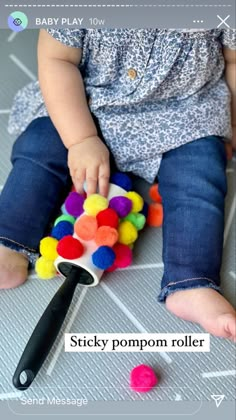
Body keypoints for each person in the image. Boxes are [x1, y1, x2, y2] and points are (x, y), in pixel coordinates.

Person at [0, 28, 235, 340]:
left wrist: (230, 122)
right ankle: (10, 240)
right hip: (88, 104)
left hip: (185, 113)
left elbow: (232, 59)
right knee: (39, 149)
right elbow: (57, 60)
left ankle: (190, 282)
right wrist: (81, 139)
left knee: (200, 178)